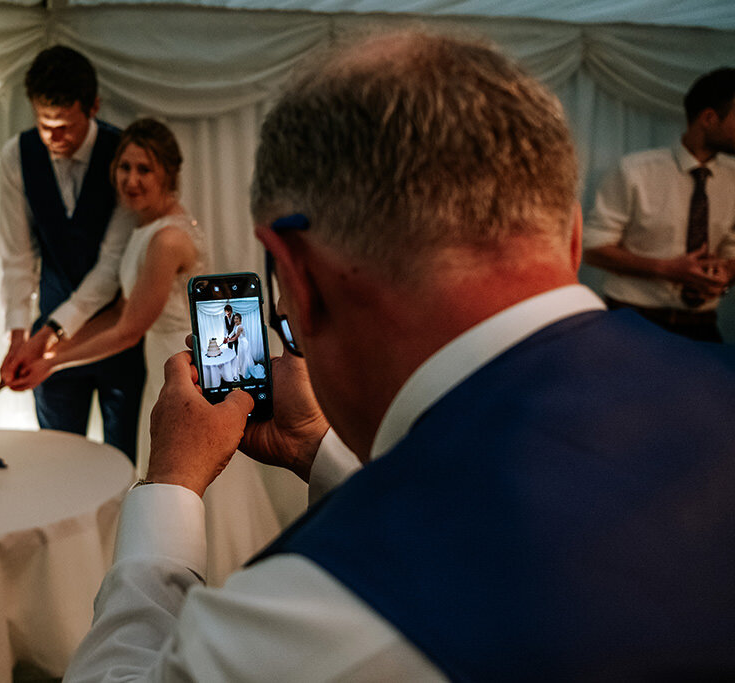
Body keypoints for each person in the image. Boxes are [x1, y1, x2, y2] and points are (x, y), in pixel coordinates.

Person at [63, 30, 735, 681]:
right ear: (571, 236)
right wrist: (316, 448)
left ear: (295, 276)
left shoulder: (326, 605)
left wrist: (171, 489)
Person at [5, 118, 280, 585]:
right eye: (124, 168)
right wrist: (50, 343)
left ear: (168, 175)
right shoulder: (144, 230)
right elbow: (121, 312)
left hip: (185, 368)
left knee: (204, 481)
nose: (131, 180)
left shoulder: (167, 239)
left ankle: (218, 581)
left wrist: (53, 362)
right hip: (161, 365)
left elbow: (130, 329)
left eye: (144, 169)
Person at [0, 45, 145, 462]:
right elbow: (17, 257)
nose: (53, 138)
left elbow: (112, 266)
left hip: (116, 337)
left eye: (64, 126)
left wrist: (48, 336)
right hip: (48, 336)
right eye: (45, 125)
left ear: (93, 106)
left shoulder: (123, 156)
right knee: (59, 464)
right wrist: (18, 338)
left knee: (122, 465)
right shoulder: (17, 156)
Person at [583, 67, 735, 342]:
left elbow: (732, 249)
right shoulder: (634, 171)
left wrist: (726, 273)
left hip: (702, 329)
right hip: (632, 324)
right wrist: (666, 269)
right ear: (710, 118)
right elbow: (593, 249)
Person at [224, 312, 253, 379]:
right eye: (234, 319)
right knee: (241, 356)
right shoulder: (236, 326)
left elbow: (235, 337)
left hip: (244, 343)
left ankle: (245, 372)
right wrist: (227, 337)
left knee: (244, 357)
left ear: (240, 319)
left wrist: (228, 341)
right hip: (241, 343)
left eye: (237, 319)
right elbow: (232, 333)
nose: (235, 320)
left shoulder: (240, 327)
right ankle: (242, 370)